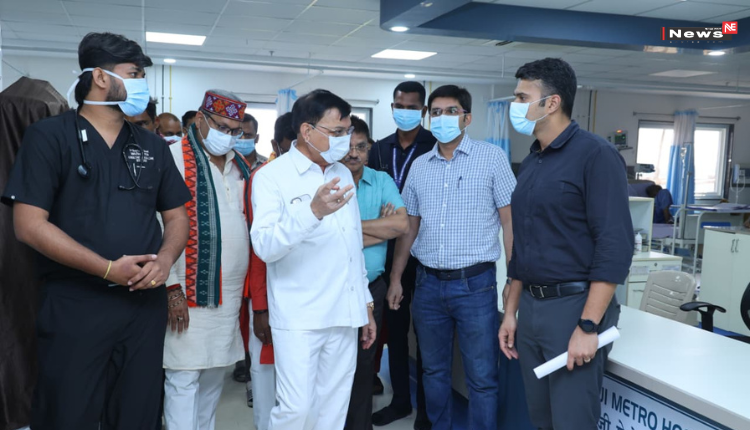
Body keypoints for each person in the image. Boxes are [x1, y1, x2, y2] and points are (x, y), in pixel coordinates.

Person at [1, 32, 191, 430]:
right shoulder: (49, 137)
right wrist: (107, 269)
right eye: (134, 74)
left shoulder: (152, 146)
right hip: (76, 303)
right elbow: (29, 226)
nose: (142, 84)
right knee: (69, 413)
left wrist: (165, 260)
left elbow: (177, 217)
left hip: (143, 306)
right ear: (101, 77)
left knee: (138, 414)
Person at [499, 58, 633, 430]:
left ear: (552, 103)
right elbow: (523, 246)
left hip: (573, 307)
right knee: (541, 419)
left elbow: (614, 246)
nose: (515, 104)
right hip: (532, 308)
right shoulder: (532, 161)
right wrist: (511, 312)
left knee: (572, 420)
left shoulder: (596, 155)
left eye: (522, 97)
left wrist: (588, 326)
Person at [388, 84, 515, 430]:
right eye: (437, 112)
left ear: (467, 118)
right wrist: (397, 277)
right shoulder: (420, 166)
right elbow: (409, 228)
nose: (443, 118)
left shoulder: (491, 158)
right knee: (433, 372)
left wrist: (513, 280)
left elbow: (510, 223)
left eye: (451, 111)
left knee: (482, 378)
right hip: (428, 285)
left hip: (475, 285)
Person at [251, 89, 377, 430]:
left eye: (347, 131)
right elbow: (265, 246)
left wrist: (365, 305)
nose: (345, 141)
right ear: (307, 131)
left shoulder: (342, 173)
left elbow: (351, 247)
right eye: (337, 132)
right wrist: (313, 212)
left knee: (333, 410)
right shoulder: (272, 177)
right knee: (296, 410)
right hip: (300, 316)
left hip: (344, 313)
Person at [161, 90, 254, 430]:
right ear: (200, 119)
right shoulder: (172, 158)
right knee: (183, 376)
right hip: (187, 290)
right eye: (222, 127)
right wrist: (171, 288)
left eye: (235, 131)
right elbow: (159, 226)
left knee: (215, 373)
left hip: (228, 294)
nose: (228, 136)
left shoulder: (239, 165)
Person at [367, 81, 434, 429]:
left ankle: (426, 409)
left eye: (412, 107)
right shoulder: (379, 149)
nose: (405, 112)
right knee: (394, 332)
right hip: (386, 252)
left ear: (422, 111)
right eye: (399, 106)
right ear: (392, 108)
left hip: (424, 253)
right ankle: (401, 401)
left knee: (426, 336)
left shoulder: (434, 146)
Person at [343, 116, 409, 430]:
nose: (353, 153)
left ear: (369, 149)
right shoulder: (325, 180)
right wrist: (380, 230)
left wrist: (346, 231)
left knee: (364, 365)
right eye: (348, 146)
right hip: (332, 287)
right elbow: (321, 238)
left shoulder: (381, 181)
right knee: (331, 365)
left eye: (360, 147)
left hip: (371, 288)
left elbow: (401, 225)